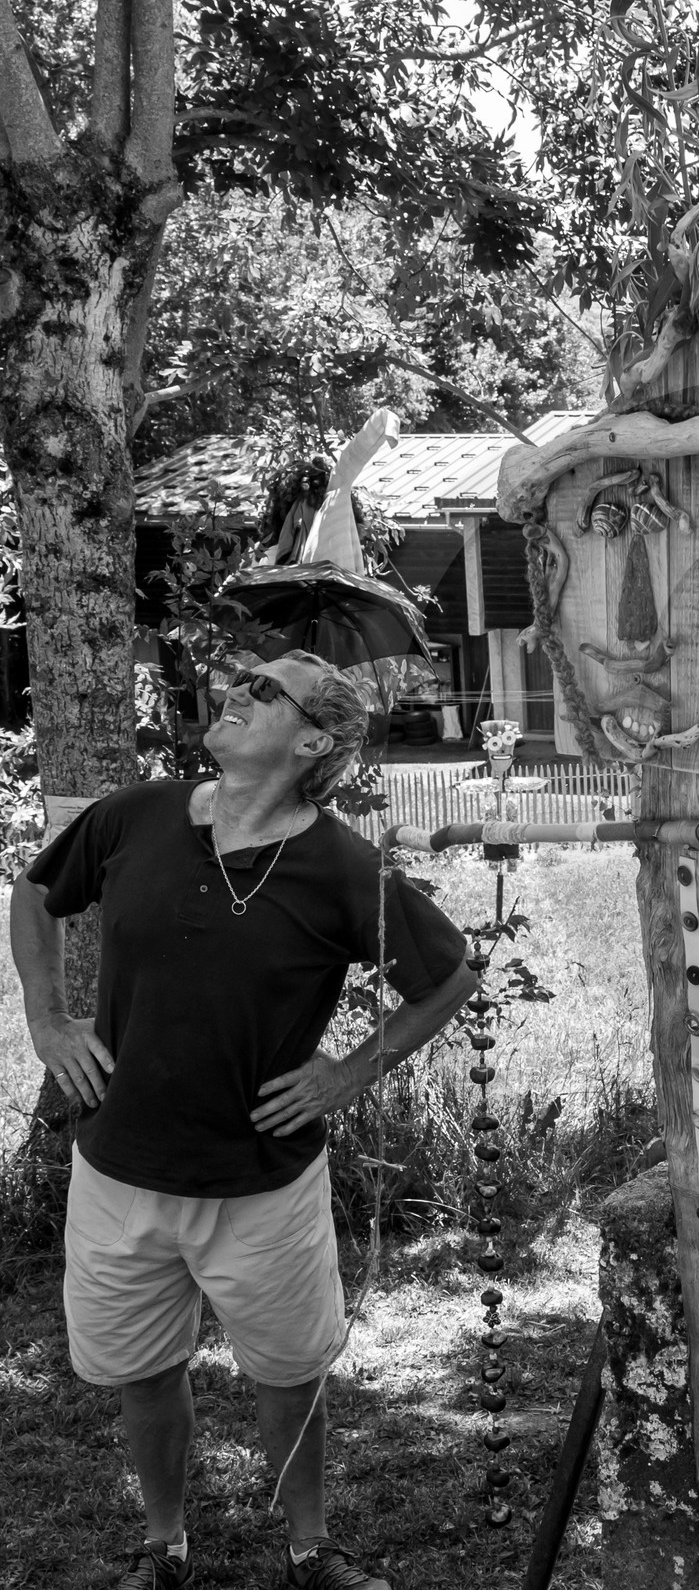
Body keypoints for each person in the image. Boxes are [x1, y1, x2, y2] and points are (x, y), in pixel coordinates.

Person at [13, 652, 478, 1590]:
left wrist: (352, 1071)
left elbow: (449, 977)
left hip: (263, 1181)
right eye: (240, 678)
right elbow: (36, 893)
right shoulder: (137, 814)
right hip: (120, 1165)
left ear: (314, 741)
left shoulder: (343, 867)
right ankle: (164, 1546)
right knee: (144, 1369)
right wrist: (47, 1016)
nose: (235, 690)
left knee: (289, 1374)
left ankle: (310, 1551)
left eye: (263, 689)